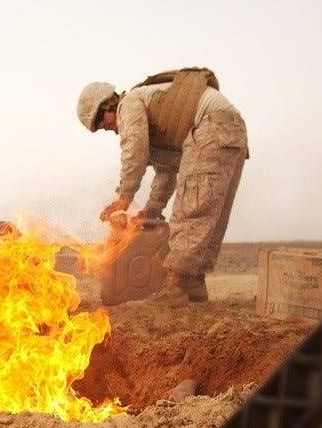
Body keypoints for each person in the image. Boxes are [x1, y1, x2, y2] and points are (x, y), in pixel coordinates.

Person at [77, 68, 248, 307]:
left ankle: (175, 288)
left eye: (100, 121)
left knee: (192, 208)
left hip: (211, 127)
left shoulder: (129, 104)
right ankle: (194, 285)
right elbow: (167, 172)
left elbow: (134, 149)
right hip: (231, 131)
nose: (104, 128)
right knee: (210, 211)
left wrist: (125, 196)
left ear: (109, 103)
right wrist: (152, 209)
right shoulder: (156, 118)